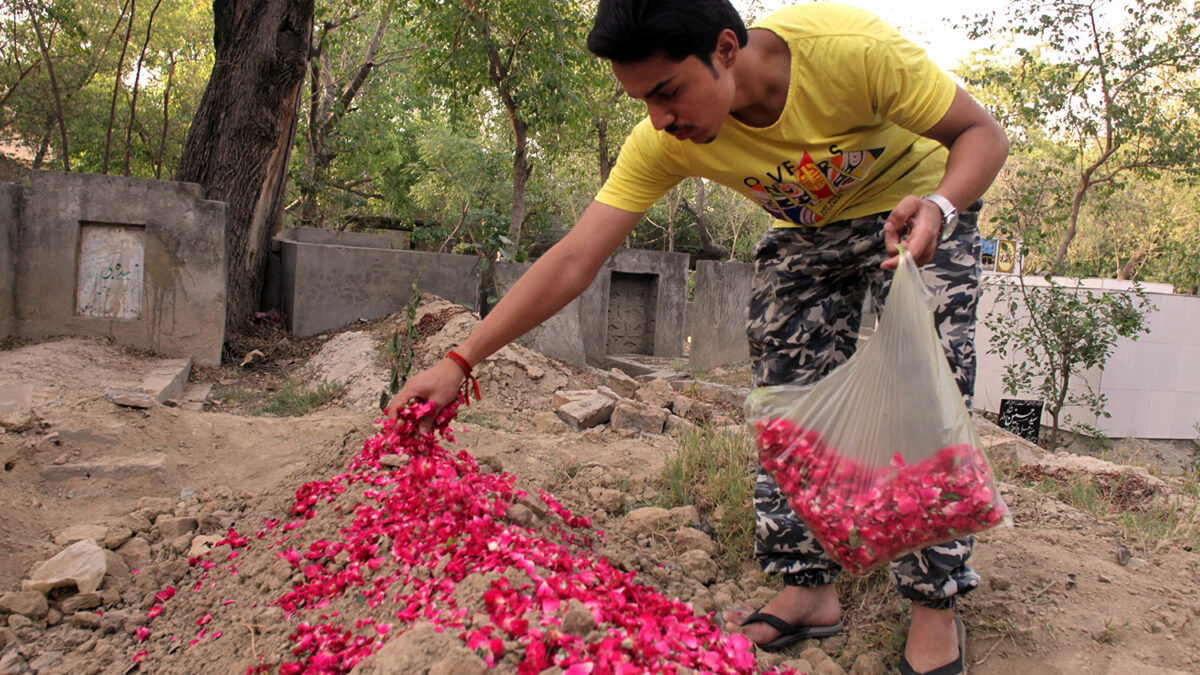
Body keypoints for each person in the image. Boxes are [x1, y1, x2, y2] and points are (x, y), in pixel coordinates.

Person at [388, 1, 1009, 673]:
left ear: (724, 50)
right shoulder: (664, 139)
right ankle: (807, 588)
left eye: (666, 92)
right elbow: (574, 259)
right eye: (642, 101)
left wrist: (943, 206)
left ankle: (934, 608)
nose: (659, 119)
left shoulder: (847, 51)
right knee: (785, 397)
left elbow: (982, 133)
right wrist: (461, 357)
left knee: (925, 392)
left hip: (916, 213)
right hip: (808, 236)